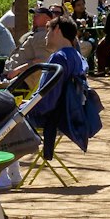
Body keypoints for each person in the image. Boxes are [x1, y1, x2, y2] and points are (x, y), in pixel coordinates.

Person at [21, 17, 90, 161]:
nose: (46, 36)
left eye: (48, 31)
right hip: (66, 115)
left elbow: (47, 101)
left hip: (49, 117)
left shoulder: (58, 58)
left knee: (1, 119)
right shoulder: (76, 56)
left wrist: (26, 107)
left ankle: (1, 173)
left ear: (57, 29)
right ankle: (11, 172)